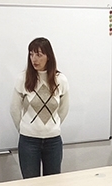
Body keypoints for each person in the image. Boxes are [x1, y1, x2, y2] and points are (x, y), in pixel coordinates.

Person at [10, 37, 70, 178]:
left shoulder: (60, 80)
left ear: (48, 57)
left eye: (38, 55)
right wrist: (24, 128)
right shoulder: (23, 78)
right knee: (30, 184)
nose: (34, 59)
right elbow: (14, 108)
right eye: (31, 54)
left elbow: (64, 108)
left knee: (52, 183)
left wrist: (52, 126)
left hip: (53, 140)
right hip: (29, 141)